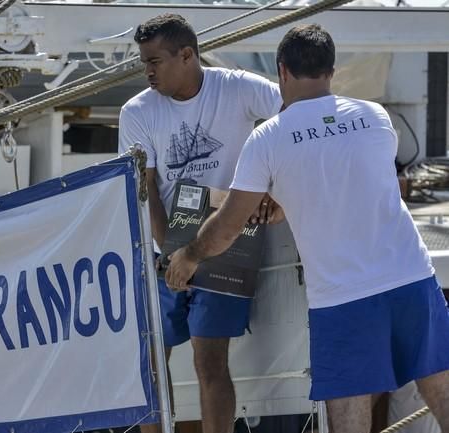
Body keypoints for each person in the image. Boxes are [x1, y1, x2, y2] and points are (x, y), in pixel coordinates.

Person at [165, 24, 449, 433]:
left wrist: (189, 255)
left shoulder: (268, 139)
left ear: (281, 71)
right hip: (413, 280)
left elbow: (230, 224)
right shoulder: (375, 116)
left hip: (343, 297)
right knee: (441, 394)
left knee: (348, 417)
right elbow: (348, 175)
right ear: (331, 70)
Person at [117, 14, 282, 433]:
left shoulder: (239, 86)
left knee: (210, 359)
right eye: (144, 63)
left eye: (155, 61)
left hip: (228, 239)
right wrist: (171, 254)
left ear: (187, 55)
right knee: (152, 359)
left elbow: (296, 113)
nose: (148, 71)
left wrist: (275, 187)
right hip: (167, 244)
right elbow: (147, 190)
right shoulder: (136, 111)